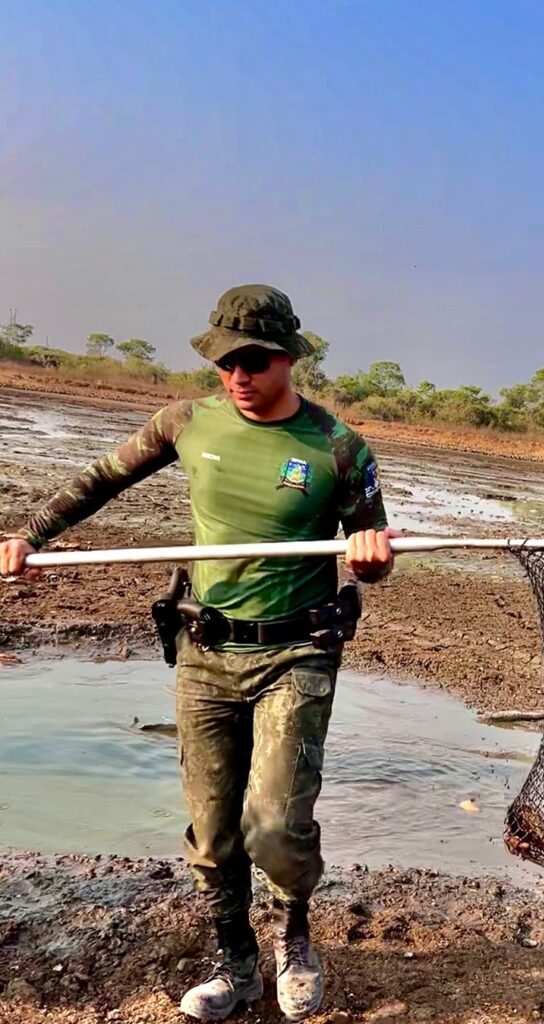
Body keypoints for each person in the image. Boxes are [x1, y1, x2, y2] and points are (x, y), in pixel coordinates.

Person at [0, 284, 393, 1022]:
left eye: (254, 361)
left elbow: (371, 548)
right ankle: (236, 964)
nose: (238, 376)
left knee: (275, 824)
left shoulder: (338, 448)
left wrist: (370, 557)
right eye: (224, 361)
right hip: (206, 651)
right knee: (213, 836)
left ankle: (297, 938)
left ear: (288, 359)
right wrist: (29, 537)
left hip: (297, 655)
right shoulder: (187, 422)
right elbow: (99, 480)